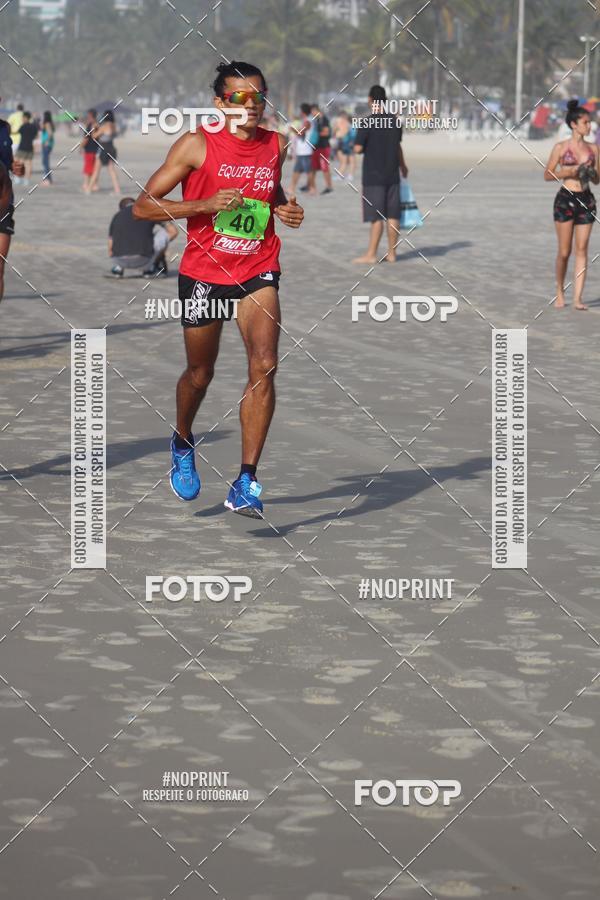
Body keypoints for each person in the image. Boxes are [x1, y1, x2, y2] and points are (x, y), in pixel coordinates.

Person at [132, 60, 304, 517]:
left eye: (258, 97)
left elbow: (269, 188)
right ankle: (183, 439)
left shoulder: (276, 145)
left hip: (258, 267)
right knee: (200, 374)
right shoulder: (195, 145)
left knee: (265, 364)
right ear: (220, 104)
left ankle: (246, 481)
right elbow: (143, 207)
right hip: (205, 274)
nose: (250, 106)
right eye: (239, 99)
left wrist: (286, 207)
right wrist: (203, 204)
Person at [544, 99, 599, 311]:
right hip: (565, 199)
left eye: (590, 123)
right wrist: (568, 171)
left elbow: (597, 180)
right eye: (585, 122)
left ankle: (577, 298)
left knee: (582, 249)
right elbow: (548, 174)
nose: (589, 126)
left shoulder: (594, 149)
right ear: (574, 124)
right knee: (564, 252)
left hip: (586, 199)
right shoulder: (560, 147)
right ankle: (559, 290)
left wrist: (591, 173)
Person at [353, 85, 408, 264]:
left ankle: (371, 254)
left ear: (370, 100)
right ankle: (392, 254)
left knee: (376, 216)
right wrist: (403, 165)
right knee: (393, 215)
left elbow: (358, 148)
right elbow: (398, 146)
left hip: (373, 176)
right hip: (392, 174)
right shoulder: (394, 121)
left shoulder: (367, 122)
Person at [108, 197, 177, 276]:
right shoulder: (146, 212)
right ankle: (151, 267)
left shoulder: (117, 216)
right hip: (143, 260)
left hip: (119, 260)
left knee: (124, 238)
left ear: (121, 208)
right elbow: (173, 231)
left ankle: (118, 268)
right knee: (163, 233)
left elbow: (110, 249)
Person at [0, 99, 25, 302]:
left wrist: (17, 168)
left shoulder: (4, 128)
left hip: (4, 202)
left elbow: (9, 163)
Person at [90, 110, 120, 194]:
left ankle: (88, 189)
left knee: (96, 170)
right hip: (111, 148)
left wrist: (93, 128)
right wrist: (99, 127)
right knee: (111, 170)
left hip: (104, 148)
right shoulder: (114, 126)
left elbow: (94, 136)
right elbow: (108, 134)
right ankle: (117, 190)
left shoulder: (104, 126)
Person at [308, 103, 333, 195]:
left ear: (316, 110)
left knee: (324, 167)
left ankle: (329, 187)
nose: (312, 114)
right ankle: (312, 188)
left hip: (324, 147)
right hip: (316, 147)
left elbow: (326, 133)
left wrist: (316, 134)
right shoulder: (317, 120)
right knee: (313, 167)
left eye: (312, 112)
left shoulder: (324, 120)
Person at [290, 103, 313, 195]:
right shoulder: (305, 120)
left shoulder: (307, 121)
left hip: (306, 150)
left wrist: (292, 129)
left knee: (308, 171)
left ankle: (312, 188)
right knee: (297, 170)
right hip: (302, 151)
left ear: (303, 112)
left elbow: (300, 133)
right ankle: (291, 188)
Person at [15, 111, 38, 185]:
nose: (22, 119)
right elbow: (36, 136)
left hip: (22, 148)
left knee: (19, 162)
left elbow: (17, 132)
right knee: (28, 164)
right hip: (30, 148)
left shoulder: (23, 126)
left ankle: (18, 179)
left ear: (25, 118)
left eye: (22, 118)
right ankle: (26, 180)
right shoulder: (33, 126)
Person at [333, 111, 356, 181]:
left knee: (347, 161)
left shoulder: (348, 125)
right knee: (348, 161)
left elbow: (342, 134)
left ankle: (347, 175)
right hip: (349, 144)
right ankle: (348, 175)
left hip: (348, 144)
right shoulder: (352, 125)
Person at [81, 108, 99, 193]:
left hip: (89, 150)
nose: (87, 117)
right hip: (96, 149)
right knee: (93, 168)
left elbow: (86, 139)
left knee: (88, 168)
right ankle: (94, 185)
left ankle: (86, 184)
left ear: (91, 115)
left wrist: (81, 147)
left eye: (88, 115)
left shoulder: (90, 125)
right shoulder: (98, 124)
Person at [40, 111, 55, 186]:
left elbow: (50, 134)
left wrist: (46, 141)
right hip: (48, 144)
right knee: (45, 162)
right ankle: (49, 179)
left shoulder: (47, 124)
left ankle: (47, 180)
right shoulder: (48, 123)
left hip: (47, 145)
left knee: (45, 162)